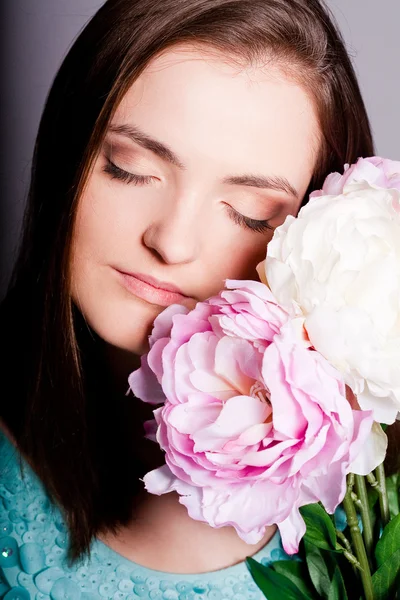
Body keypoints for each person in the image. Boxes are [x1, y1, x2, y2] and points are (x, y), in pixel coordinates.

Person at [0, 0, 380, 596]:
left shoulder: (370, 505)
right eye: (130, 168)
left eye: (248, 214)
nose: (172, 241)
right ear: (66, 155)